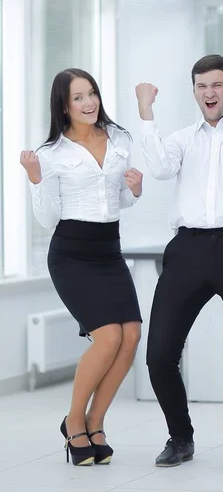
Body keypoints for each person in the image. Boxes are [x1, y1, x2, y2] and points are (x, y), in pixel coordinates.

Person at [135, 54, 223, 468]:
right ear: (195, 91)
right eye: (202, 86)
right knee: (159, 355)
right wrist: (146, 111)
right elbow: (160, 168)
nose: (209, 93)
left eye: (217, 85)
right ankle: (180, 438)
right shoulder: (182, 139)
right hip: (188, 251)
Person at [20, 68, 144, 467]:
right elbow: (47, 219)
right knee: (107, 337)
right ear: (63, 105)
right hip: (71, 253)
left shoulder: (119, 138)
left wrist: (135, 188)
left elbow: (120, 201)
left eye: (92, 93)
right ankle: (74, 421)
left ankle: (96, 421)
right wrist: (36, 180)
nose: (89, 102)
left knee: (131, 336)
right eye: (78, 97)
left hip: (109, 249)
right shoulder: (51, 153)